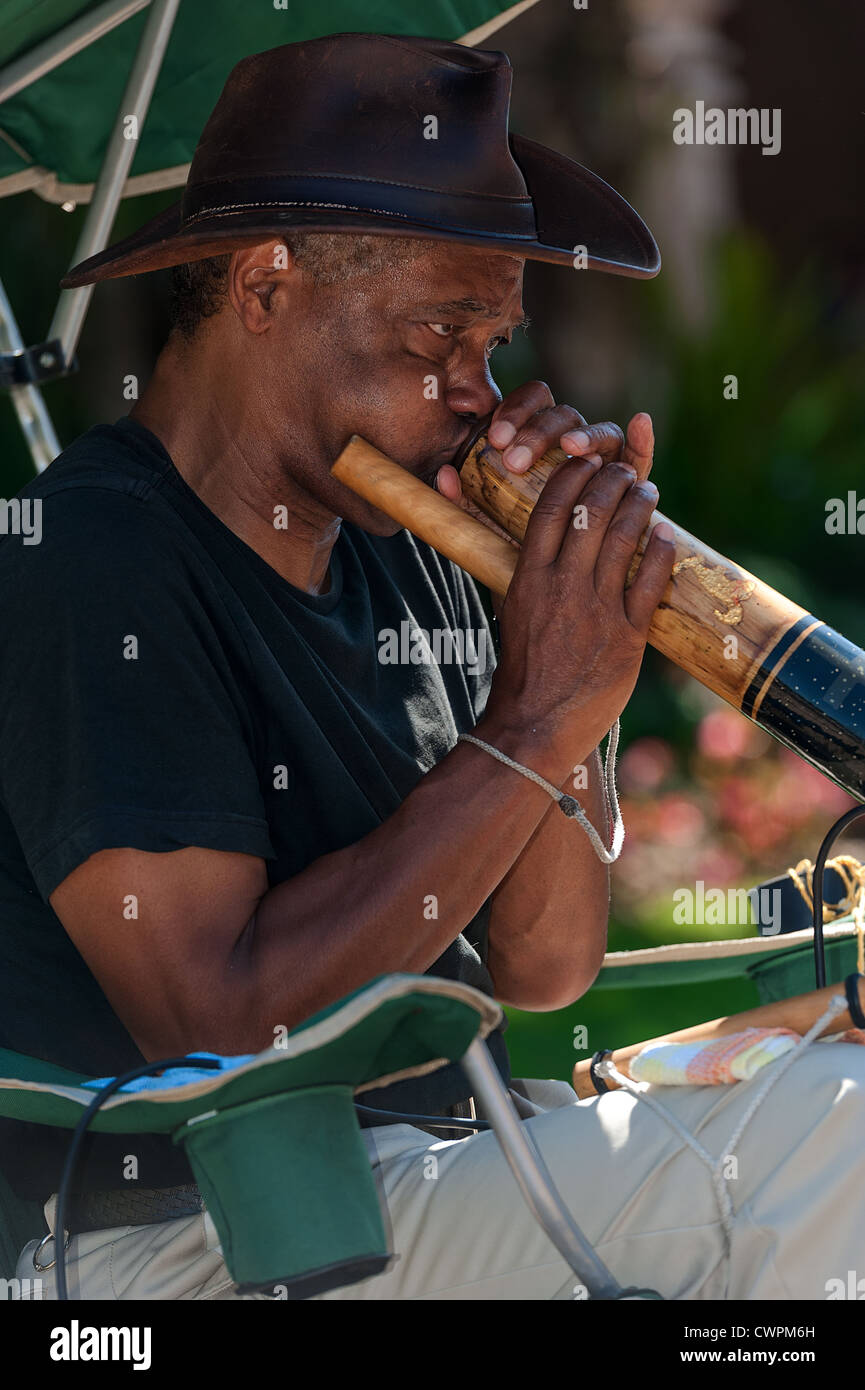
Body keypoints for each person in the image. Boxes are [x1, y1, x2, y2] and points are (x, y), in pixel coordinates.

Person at [3, 34, 863, 1302]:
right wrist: (534, 710)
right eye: (441, 333)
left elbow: (543, 962)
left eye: (494, 342)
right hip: (181, 1241)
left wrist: (572, 647)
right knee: (838, 1136)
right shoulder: (93, 561)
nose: (481, 391)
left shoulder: (403, 548)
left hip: (427, 1183)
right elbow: (219, 1027)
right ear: (263, 285)